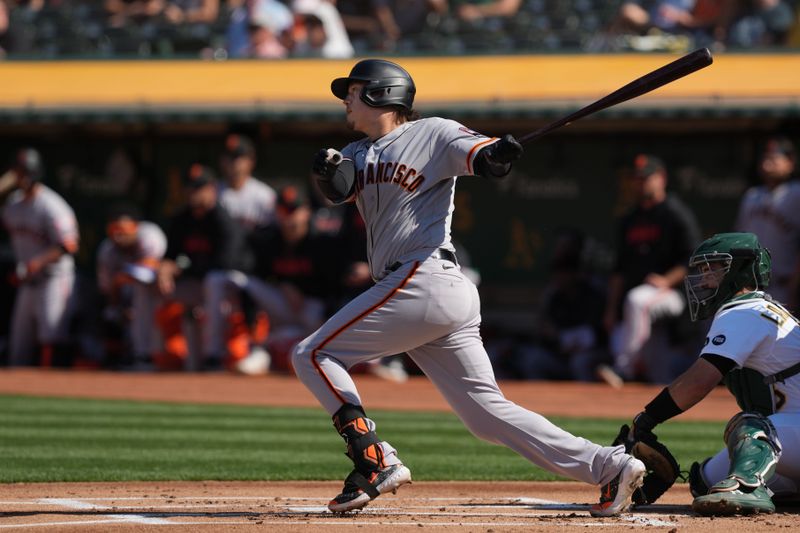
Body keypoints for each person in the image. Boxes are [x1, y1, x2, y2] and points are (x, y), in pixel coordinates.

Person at [292, 58, 646, 516]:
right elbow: (339, 189)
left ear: (382, 93)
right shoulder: (358, 152)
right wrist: (328, 169)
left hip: (425, 276)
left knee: (313, 354)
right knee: (484, 415)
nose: (346, 100)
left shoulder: (434, 132)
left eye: (353, 91)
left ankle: (373, 457)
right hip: (425, 291)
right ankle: (610, 466)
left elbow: (483, 158)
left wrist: (496, 153)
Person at [618, 232, 800, 515]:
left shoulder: (745, 311)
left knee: (751, 428)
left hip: (789, 430)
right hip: (793, 433)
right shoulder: (757, 310)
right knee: (706, 482)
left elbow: (700, 381)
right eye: (701, 270)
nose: (703, 279)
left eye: (713, 268)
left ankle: (749, 489)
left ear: (740, 271)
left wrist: (648, 418)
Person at [601, 154, 701, 384]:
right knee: (658, 376)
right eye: (637, 178)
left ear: (662, 178)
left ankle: (623, 369)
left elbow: (694, 257)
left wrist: (667, 280)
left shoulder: (675, 213)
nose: (641, 182)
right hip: (640, 303)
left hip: (673, 295)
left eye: (647, 177)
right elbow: (619, 268)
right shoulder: (630, 219)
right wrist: (611, 308)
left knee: (638, 301)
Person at [156, 164, 244, 371]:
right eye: (190, 187)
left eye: (199, 187)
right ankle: (145, 354)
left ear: (212, 188)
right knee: (151, 284)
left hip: (232, 288)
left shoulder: (223, 219)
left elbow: (224, 263)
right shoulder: (182, 218)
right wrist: (165, 269)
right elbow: (171, 255)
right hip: (198, 282)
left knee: (214, 280)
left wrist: (181, 269)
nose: (193, 192)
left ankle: (214, 355)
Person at [203, 133, 277, 368]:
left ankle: (259, 348)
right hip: (223, 270)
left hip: (255, 272)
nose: (234, 163)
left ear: (250, 161)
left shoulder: (263, 196)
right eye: (229, 158)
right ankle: (213, 354)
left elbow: (271, 242)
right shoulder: (215, 193)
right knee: (214, 281)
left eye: (239, 157)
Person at [1, 147, 79, 367]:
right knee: (19, 345)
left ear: (35, 174)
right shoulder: (13, 204)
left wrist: (36, 263)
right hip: (27, 281)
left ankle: (56, 388)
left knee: (52, 337)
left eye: (24, 172)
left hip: (53, 278)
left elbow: (68, 245)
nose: (20, 177)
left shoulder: (52, 205)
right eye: (17, 172)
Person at [734, 136, 800, 314]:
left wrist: (795, 289)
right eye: (766, 158)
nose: (768, 164)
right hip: (750, 286)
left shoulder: (796, 194)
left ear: (790, 162)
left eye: (774, 159)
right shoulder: (752, 195)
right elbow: (739, 243)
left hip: (783, 286)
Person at [96, 206, 167, 370]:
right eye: (114, 230)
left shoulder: (150, 236)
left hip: (158, 287)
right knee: (111, 314)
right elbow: (108, 289)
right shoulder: (107, 251)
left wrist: (120, 280)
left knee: (141, 293)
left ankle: (146, 355)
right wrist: (119, 308)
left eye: (123, 230)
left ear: (136, 227)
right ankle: (118, 358)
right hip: (126, 293)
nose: (118, 236)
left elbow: (147, 272)